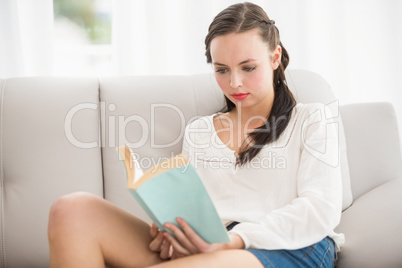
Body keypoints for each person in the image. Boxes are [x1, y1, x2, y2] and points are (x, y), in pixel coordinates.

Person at [48, 2, 344, 267]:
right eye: (222, 70)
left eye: (248, 67)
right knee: (72, 211)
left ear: (275, 57)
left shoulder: (311, 119)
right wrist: (174, 231)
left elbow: (320, 209)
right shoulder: (200, 131)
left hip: (290, 245)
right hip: (213, 246)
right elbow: (195, 209)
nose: (235, 83)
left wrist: (236, 240)